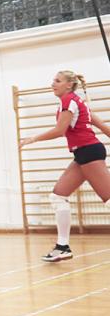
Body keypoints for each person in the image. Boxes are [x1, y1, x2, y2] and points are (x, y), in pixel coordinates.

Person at [20, 70, 110, 262]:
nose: (53, 83)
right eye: (53, 80)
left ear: (69, 85)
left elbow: (60, 130)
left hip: (89, 152)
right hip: (84, 153)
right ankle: (63, 247)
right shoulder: (78, 102)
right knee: (58, 196)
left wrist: (32, 138)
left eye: (57, 81)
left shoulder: (69, 101)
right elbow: (103, 127)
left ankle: (62, 246)